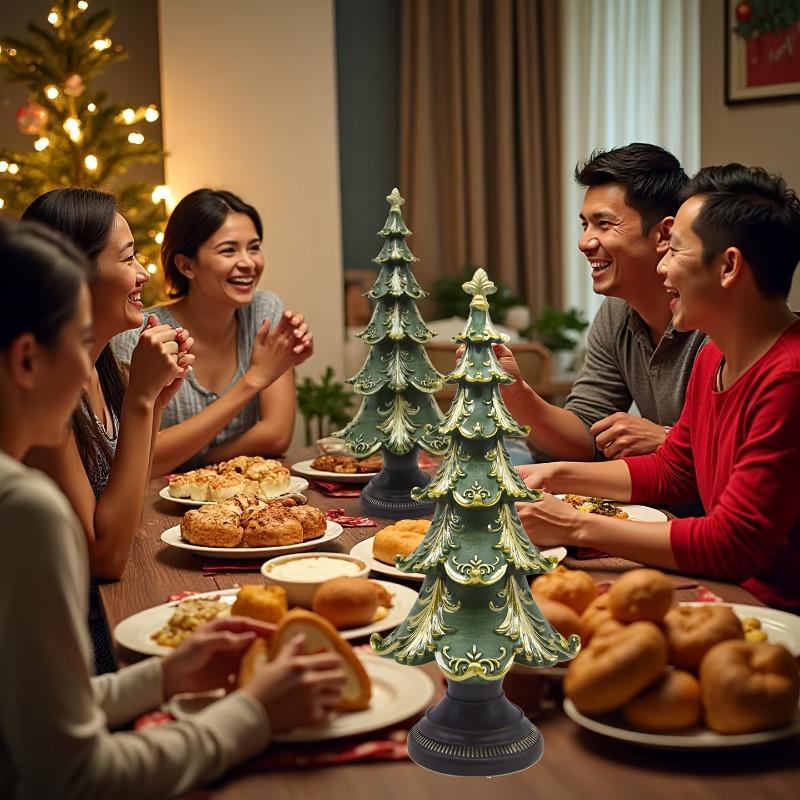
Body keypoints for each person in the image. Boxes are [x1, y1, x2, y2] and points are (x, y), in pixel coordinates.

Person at [0, 218, 346, 798]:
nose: (90, 366)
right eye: (83, 342)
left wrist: (164, 676)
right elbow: (71, 774)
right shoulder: (25, 508)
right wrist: (255, 715)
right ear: (29, 360)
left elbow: (37, 703)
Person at [516, 164, 800, 611]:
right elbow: (672, 470)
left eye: (677, 251)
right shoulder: (715, 356)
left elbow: (732, 545)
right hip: (726, 591)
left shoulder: (788, 378)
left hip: (769, 609)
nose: (662, 266)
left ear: (728, 267)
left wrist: (572, 526)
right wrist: (551, 476)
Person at [22, 187, 192, 674]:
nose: (142, 274)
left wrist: (154, 404)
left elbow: (125, 503)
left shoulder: (100, 366)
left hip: (114, 602)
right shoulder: (43, 395)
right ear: (74, 273)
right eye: (128, 257)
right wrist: (141, 402)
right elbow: (105, 558)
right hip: (76, 637)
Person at [500, 143, 707, 461]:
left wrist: (667, 438)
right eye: (585, 224)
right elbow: (584, 436)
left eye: (604, 224)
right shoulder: (616, 313)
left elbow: (745, 449)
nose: (584, 242)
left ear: (665, 234)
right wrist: (515, 391)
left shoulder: (716, 318)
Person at [112, 188, 313, 475]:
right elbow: (142, 460)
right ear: (186, 265)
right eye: (228, 250)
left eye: (254, 247)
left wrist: (193, 458)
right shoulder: (140, 335)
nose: (248, 262)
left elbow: (276, 435)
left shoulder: (263, 312)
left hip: (249, 501)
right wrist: (253, 380)